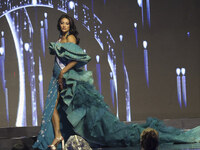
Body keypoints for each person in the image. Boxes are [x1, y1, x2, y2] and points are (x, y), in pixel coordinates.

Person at [33, 14, 200, 150]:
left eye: (67, 23)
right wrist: (58, 74)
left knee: (82, 113)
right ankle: (58, 135)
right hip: (56, 78)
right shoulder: (59, 39)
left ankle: (62, 135)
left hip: (68, 79)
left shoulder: (70, 39)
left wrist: (62, 72)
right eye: (62, 23)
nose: (64, 25)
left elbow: (77, 59)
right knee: (52, 108)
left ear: (70, 26)